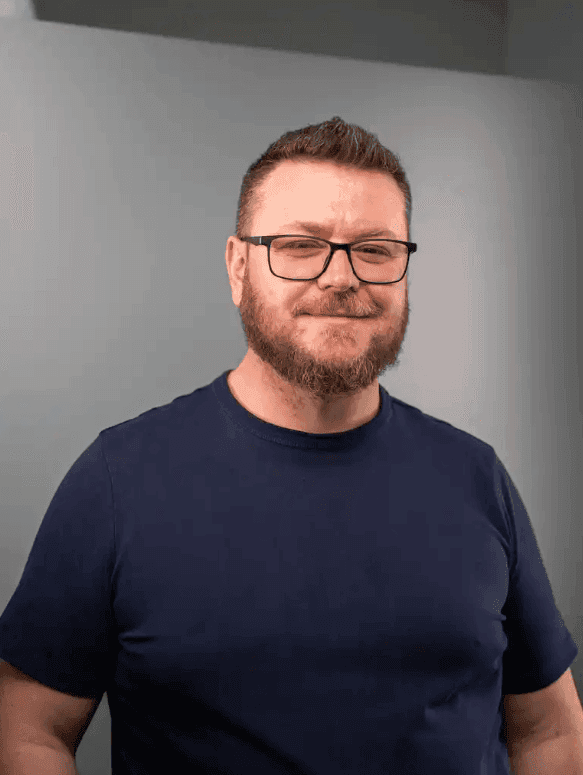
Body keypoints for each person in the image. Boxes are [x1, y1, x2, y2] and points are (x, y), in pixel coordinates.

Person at [0, 116, 578, 774]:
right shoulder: (118, 481)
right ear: (237, 266)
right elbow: (28, 725)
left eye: (376, 249)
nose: (341, 277)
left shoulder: (476, 478)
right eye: (301, 245)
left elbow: (550, 731)